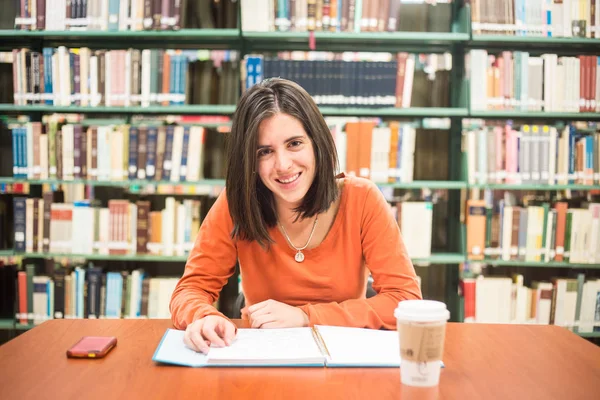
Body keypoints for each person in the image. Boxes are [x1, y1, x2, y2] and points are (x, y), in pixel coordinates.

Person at [170, 78, 422, 353]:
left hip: (342, 353)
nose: (283, 165)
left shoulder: (362, 199)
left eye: (294, 144)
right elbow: (191, 289)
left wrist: (305, 317)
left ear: (317, 142)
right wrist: (203, 318)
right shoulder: (236, 202)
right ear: (249, 160)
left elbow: (404, 299)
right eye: (264, 152)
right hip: (264, 354)